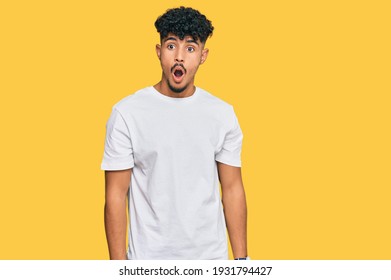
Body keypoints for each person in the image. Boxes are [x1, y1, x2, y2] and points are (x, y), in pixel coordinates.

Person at [101, 6, 248, 260]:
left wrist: (242, 262)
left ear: (203, 55)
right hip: (148, 261)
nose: (179, 57)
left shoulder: (222, 114)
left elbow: (233, 188)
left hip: (210, 260)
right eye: (171, 46)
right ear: (159, 52)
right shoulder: (127, 113)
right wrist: (118, 268)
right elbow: (115, 194)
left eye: (190, 48)